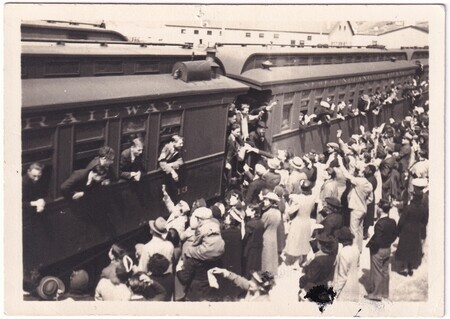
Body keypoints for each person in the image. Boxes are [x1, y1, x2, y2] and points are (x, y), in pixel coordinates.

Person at [338, 156, 373, 252]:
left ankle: (354, 249)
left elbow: (347, 175)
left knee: (353, 230)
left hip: (355, 209)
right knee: (360, 229)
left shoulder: (358, 181)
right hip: (363, 209)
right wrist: (362, 202)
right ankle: (359, 248)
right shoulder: (369, 184)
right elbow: (370, 199)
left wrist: (341, 164)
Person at [365, 199, 397, 301]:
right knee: (385, 271)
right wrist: (388, 242)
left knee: (377, 271)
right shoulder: (392, 221)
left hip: (378, 250)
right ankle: (384, 293)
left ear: (380, 209)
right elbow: (395, 235)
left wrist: (373, 248)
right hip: (387, 248)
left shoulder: (379, 223)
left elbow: (378, 240)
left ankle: (375, 294)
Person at [395, 184, 428, 276]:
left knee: (405, 248)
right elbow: (424, 221)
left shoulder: (408, 208)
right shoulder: (423, 209)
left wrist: (398, 230)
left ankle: (405, 268)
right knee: (413, 249)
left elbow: (401, 220)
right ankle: (410, 267)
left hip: (406, 231)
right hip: (416, 231)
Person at [284, 180, 316, 267]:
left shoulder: (298, 199)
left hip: (298, 221)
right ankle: (304, 258)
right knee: (305, 240)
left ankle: (296, 261)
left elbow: (290, 211)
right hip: (307, 220)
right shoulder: (313, 198)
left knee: (297, 240)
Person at [299, 232, 337, 298]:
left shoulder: (318, 260)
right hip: (326, 284)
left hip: (318, 287)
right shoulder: (333, 257)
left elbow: (310, 277)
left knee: (303, 280)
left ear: (320, 244)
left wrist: (307, 267)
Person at [209, 268, 275, 301]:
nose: (249, 282)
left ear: (262, 288)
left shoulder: (265, 301)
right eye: (251, 280)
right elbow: (238, 279)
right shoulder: (251, 288)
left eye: (253, 282)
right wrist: (224, 272)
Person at [332, 227, 360, 301]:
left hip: (344, 291)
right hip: (354, 287)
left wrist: (333, 293)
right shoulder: (356, 249)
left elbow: (342, 277)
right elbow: (357, 266)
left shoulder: (343, 253)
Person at [260, 192, 282, 275]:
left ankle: (265, 273)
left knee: (265, 256)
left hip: (266, 235)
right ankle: (271, 273)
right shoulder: (278, 212)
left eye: (266, 199)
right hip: (273, 235)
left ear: (271, 201)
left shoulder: (267, 214)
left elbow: (262, 226)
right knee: (272, 255)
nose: (264, 201)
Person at [242, 205, 264, 279]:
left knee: (249, 266)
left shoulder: (250, 224)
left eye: (248, 209)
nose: (246, 211)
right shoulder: (260, 222)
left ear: (253, 212)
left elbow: (245, 237)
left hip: (250, 247)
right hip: (258, 247)